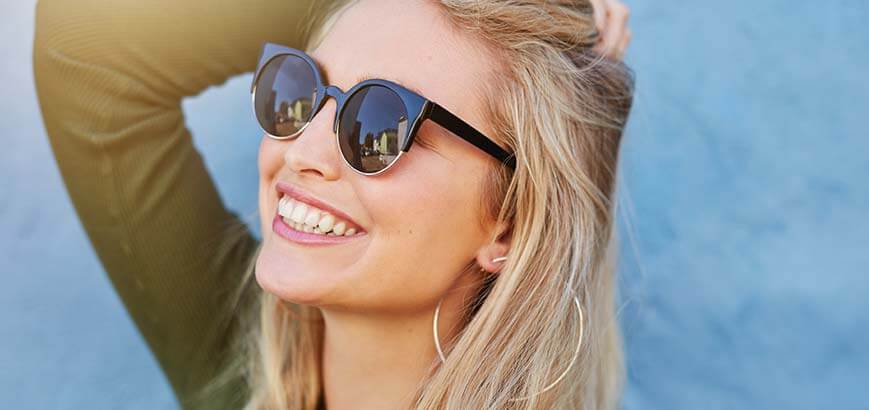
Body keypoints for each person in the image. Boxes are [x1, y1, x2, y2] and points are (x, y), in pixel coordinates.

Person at [33, 0, 634, 408]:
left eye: (381, 121)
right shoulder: (246, 372)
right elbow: (86, 48)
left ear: (512, 224)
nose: (302, 150)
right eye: (300, 88)